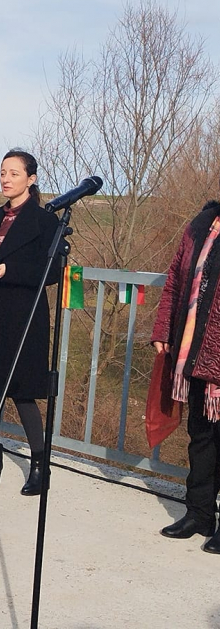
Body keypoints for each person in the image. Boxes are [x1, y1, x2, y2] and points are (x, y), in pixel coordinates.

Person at [0, 150, 60, 494]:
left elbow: (53, 270)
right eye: (2, 172)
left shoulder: (45, 221)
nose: (6, 178)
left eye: (13, 173)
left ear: (31, 179)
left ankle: (40, 464)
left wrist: (11, 270)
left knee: (23, 392)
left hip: (25, 315)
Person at [152, 198, 220, 554]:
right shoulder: (201, 224)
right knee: (201, 435)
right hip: (194, 349)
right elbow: (176, 282)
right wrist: (163, 329)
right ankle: (200, 514)